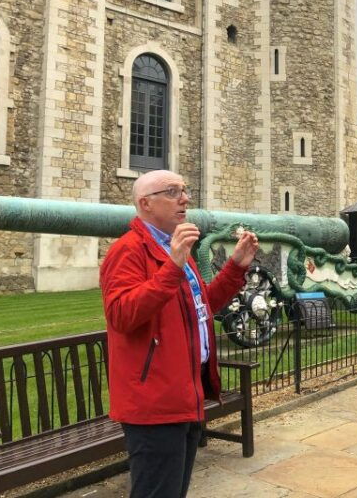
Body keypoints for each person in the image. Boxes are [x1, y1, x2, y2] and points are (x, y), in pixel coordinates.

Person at [100, 170, 259, 498]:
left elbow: (202, 307)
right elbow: (122, 315)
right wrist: (172, 266)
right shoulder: (128, 251)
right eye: (173, 192)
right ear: (146, 203)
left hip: (186, 396)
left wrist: (235, 267)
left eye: (184, 190)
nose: (185, 198)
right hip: (154, 405)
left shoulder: (176, 249)